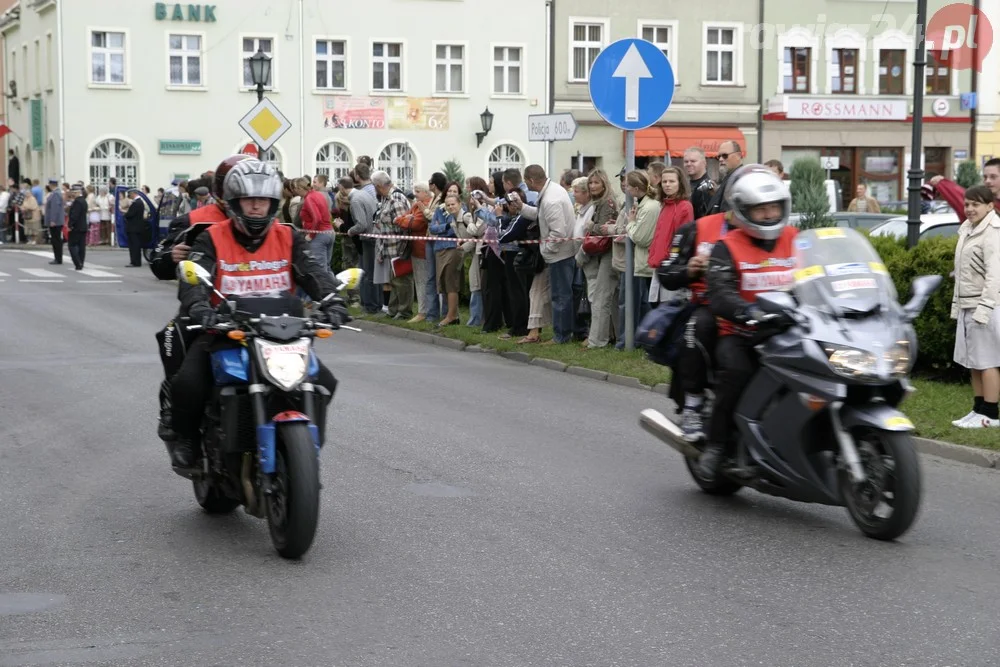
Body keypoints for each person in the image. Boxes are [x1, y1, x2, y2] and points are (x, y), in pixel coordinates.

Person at [167, 159, 349, 468]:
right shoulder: (210, 237)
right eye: (250, 200)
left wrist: (333, 300)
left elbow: (314, 272)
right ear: (235, 202)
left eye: (262, 200)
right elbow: (194, 276)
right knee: (189, 383)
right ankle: (186, 439)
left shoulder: (287, 236)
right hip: (225, 331)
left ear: (272, 203)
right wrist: (199, 306)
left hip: (282, 335)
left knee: (325, 382)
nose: (256, 207)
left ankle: (302, 451)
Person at [700, 165, 798, 480]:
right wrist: (748, 312)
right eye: (761, 208)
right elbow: (720, 293)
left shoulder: (796, 239)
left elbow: (820, 274)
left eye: (774, 207)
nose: (769, 215)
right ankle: (717, 446)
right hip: (743, 333)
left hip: (792, 329)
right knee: (738, 374)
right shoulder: (726, 247)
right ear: (743, 210)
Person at [950, 185, 1000, 428]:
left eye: (975, 204)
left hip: (986, 306)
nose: (969, 209)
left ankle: (990, 414)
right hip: (968, 304)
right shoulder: (969, 229)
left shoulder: (993, 232)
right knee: (974, 361)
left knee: (987, 360)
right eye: (967, 204)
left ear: (990, 206)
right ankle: (978, 409)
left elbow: (995, 276)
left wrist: (984, 310)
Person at [66, 184, 88, 270]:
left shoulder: (77, 202)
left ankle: (77, 262)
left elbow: (74, 215)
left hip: (76, 227)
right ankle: (81, 262)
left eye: (74, 192)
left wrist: (70, 225)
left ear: (78, 192)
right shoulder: (83, 201)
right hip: (83, 226)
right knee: (81, 246)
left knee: (72, 245)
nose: (73, 194)